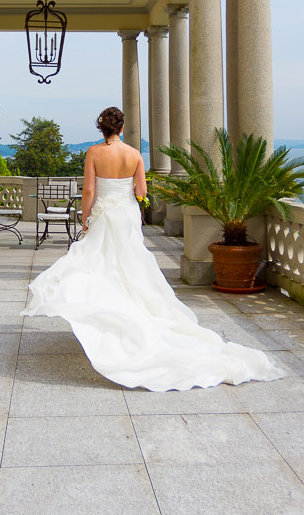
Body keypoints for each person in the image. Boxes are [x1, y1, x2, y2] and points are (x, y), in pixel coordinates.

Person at [22, 106, 285, 391]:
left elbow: (88, 191)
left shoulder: (94, 153)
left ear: (102, 128)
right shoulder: (135, 155)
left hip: (103, 216)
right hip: (125, 216)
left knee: (98, 265)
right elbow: (141, 192)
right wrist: (131, 194)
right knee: (130, 266)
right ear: (121, 128)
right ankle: (132, 316)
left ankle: (110, 318)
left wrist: (86, 219)